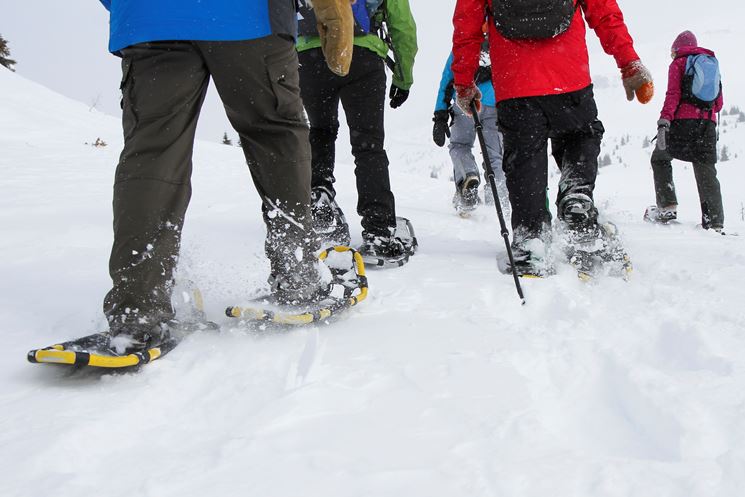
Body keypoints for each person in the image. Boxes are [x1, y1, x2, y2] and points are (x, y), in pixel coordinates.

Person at [97, 0, 354, 353]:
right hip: (250, 17)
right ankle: (298, 277)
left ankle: (137, 308)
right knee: (275, 135)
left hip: (150, 19)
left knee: (152, 152)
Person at [452, 0, 654, 275]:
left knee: (524, 160)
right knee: (580, 135)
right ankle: (576, 198)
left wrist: (464, 83)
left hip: (515, 82)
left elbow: (467, 26)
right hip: (568, 76)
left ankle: (530, 239)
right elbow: (604, 11)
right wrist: (629, 62)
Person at [296, 0, 418, 264]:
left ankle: (319, 204)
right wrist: (403, 76)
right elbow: (402, 25)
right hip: (362, 54)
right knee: (368, 145)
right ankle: (378, 231)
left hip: (310, 55)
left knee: (319, 131)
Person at [648, 30, 724, 231]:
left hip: (683, 123)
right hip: (708, 124)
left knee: (660, 157)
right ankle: (714, 222)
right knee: (706, 170)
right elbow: (719, 103)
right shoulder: (710, 63)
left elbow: (672, 94)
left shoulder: (679, 63)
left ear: (676, 49)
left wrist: (664, 120)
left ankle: (667, 208)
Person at [432, 28, 507, 217]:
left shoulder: (464, 43)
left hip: (465, 101)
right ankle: (499, 205)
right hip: (495, 104)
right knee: (494, 156)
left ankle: (468, 178)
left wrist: (440, 113)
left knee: (460, 145)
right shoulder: (501, 39)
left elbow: (447, 79)